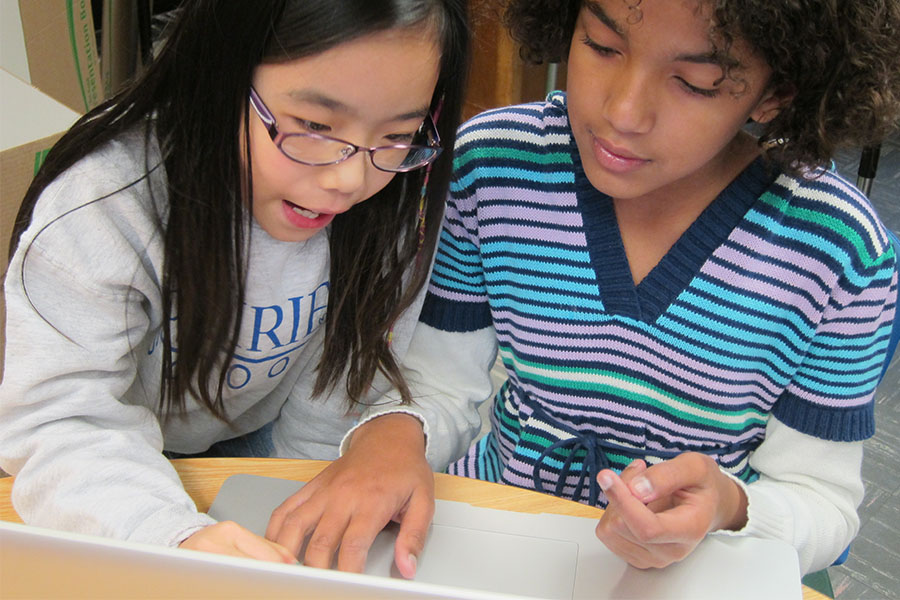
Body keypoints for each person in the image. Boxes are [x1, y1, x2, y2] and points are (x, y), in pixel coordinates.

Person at [374, 0, 900, 575]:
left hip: (691, 570)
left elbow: (822, 504)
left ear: (777, 93)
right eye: (601, 46)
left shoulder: (838, 249)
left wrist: (728, 507)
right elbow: (436, 384)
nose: (623, 112)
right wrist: (398, 435)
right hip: (496, 528)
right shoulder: (494, 169)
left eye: (696, 83)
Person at [0, 0, 468, 579]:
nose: (350, 179)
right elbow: (60, 421)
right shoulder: (105, 201)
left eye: (399, 133)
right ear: (220, 73)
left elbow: (333, 396)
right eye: (316, 127)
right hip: (109, 458)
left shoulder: (391, 193)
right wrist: (168, 535)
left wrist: (301, 542)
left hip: (255, 448)